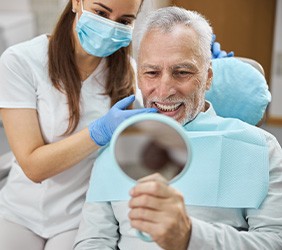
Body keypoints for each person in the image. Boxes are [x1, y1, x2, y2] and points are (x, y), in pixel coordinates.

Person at [74, 6, 282, 250]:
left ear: (208, 77)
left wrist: (190, 236)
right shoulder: (116, 147)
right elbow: (93, 241)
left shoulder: (260, 148)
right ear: (138, 76)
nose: (164, 91)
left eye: (182, 72)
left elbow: (274, 241)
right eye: (151, 72)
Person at [0, 0, 159, 249]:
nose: (109, 27)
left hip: (78, 216)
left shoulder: (128, 74)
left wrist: (204, 69)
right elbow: (33, 167)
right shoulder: (21, 61)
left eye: (124, 21)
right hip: (19, 211)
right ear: (76, 2)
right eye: (100, 12)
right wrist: (99, 132)